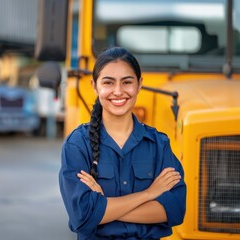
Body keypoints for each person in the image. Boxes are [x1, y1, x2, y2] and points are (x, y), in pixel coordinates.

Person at [59, 47, 186, 240]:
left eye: (127, 82)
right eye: (108, 82)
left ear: (139, 84)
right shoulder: (77, 144)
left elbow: (175, 210)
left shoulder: (159, 144)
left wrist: (104, 207)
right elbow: (82, 215)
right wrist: (149, 194)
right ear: (94, 86)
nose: (118, 92)